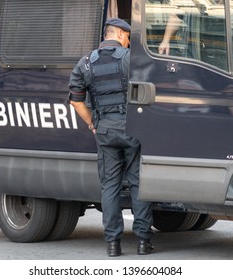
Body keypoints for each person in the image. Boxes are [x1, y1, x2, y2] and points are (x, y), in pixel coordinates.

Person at [68, 18, 154, 257]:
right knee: (139, 184)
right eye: (127, 37)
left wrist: (92, 123)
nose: (128, 42)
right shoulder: (130, 60)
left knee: (110, 186)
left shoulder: (86, 63)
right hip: (132, 130)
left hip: (104, 130)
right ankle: (143, 242)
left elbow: (76, 100)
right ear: (119, 34)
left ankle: (113, 244)